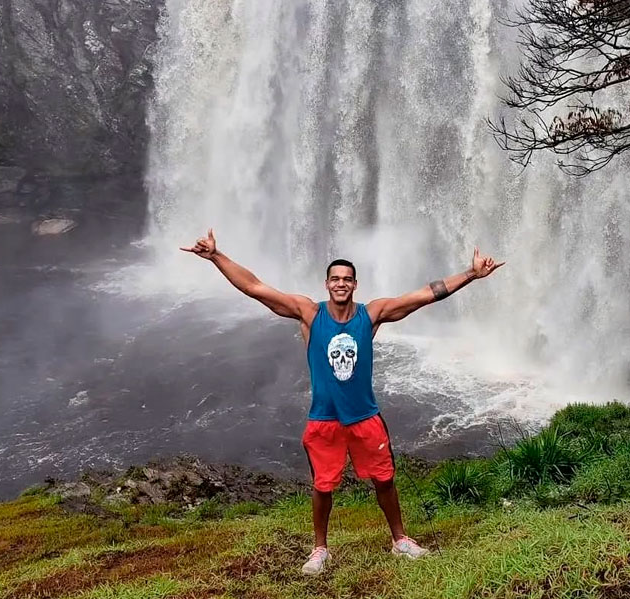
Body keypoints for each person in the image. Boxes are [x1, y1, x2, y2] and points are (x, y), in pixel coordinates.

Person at [181, 229, 504, 574]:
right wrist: (216, 256)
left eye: (347, 279)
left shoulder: (371, 314)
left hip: (365, 417)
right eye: (335, 279)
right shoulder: (309, 313)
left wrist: (471, 274)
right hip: (324, 418)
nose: (340, 284)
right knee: (322, 486)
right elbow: (254, 287)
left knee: (385, 480)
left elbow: (425, 295)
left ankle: (400, 540)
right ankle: (320, 549)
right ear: (326, 284)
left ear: (354, 285)